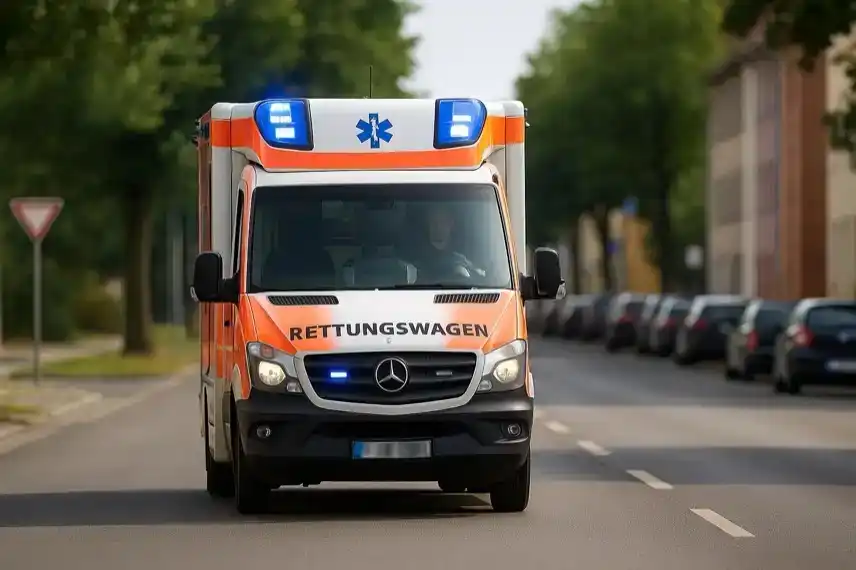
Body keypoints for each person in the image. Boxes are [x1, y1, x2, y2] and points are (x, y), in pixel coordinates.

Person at [412, 203, 484, 282]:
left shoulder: (462, 259)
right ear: (428, 224)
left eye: (442, 221)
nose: (437, 226)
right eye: (433, 221)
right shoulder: (418, 261)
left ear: (451, 223)